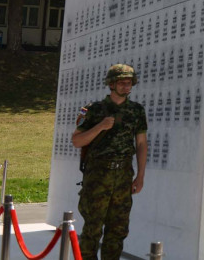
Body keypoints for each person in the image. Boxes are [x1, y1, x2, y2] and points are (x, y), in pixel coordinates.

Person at [71, 64, 148, 260]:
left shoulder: (136, 111)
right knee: (92, 229)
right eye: (122, 82)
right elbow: (77, 141)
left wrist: (140, 176)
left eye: (129, 82)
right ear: (111, 84)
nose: (126, 86)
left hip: (123, 175)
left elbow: (141, 144)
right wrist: (100, 127)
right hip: (98, 175)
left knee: (118, 229)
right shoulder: (93, 110)